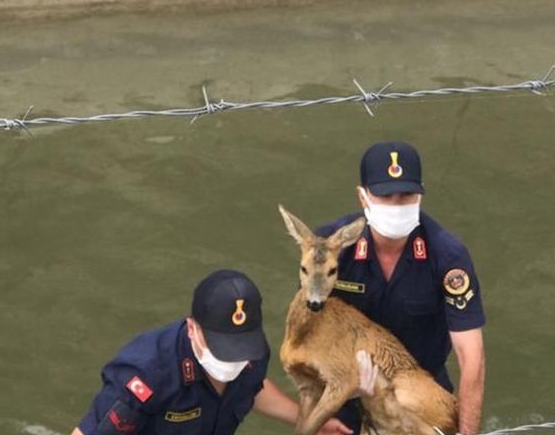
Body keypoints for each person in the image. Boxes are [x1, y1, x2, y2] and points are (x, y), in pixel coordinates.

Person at [316, 141, 486, 434]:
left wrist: (467, 433)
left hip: (420, 394)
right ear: (362, 197)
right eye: (385, 196)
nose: (397, 205)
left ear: (420, 195)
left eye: (407, 195)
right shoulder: (331, 248)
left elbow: (472, 357)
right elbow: (311, 329)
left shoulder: (447, 255)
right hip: (347, 393)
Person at [71, 269, 352, 435]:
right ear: (192, 328)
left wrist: (309, 420)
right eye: (222, 350)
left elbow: (252, 387)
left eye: (240, 350)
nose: (232, 361)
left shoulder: (252, 354)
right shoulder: (147, 376)